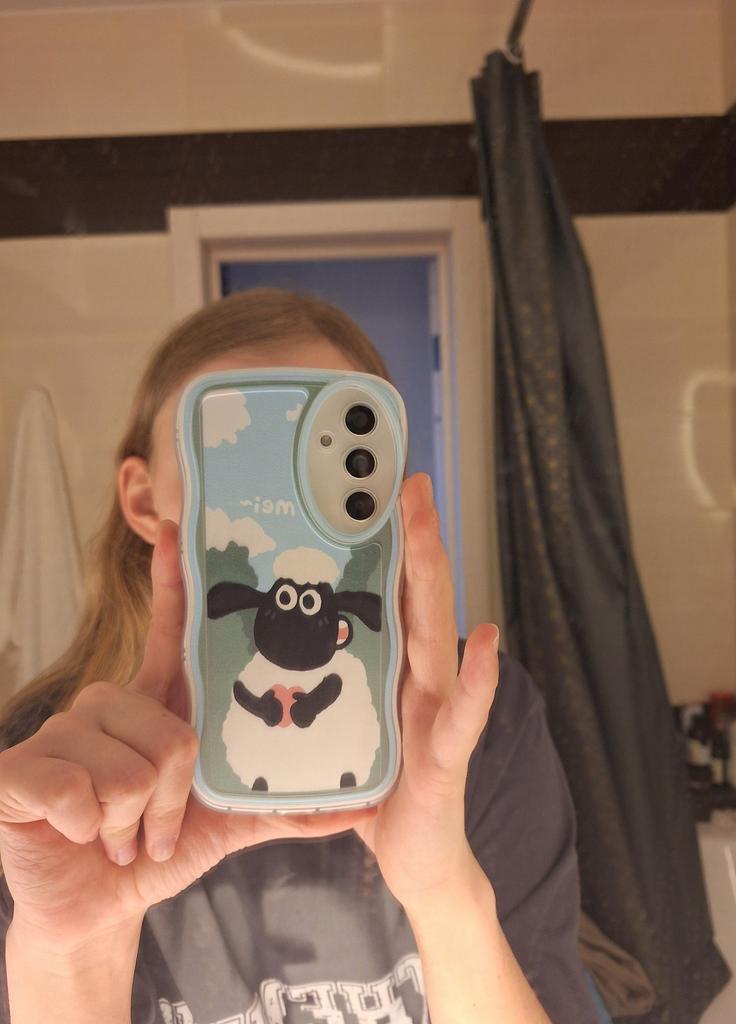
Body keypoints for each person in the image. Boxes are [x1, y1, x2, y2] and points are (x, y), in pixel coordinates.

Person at [0, 288, 599, 1024]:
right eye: (238, 471)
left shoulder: (480, 730)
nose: (275, 519)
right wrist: (72, 956)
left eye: (313, 476)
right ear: (143, 499)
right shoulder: (45, 790)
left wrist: (444, 893)